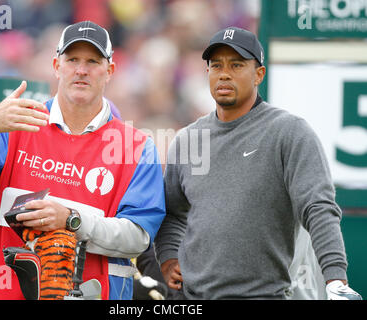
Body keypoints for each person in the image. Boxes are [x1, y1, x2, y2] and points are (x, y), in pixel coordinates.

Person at [0, 21, 165, 300]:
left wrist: (71, 221)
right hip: (2, 291)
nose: (81, 70)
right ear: (56, 65)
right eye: (72, 59)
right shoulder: (16, 123)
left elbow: (138, 238)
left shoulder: (138, 146)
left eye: (93, 61)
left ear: (109, 70)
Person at [154, 26, 361, 300]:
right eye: (216, 66)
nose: (224, 73)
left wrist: (335, 279)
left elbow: (319, 207)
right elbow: (172, 213)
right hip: (193, 297)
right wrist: (168, 258)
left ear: (259, 74)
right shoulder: (188, 139)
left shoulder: (288, 132)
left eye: (237, 64)